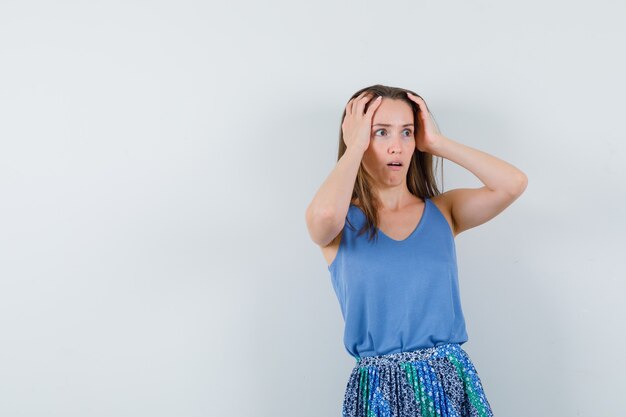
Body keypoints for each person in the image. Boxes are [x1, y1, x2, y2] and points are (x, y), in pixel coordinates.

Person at [305, 84, 527, 417]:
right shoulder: (340, 223)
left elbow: (512, 183)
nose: (397, 147)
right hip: (378, 389)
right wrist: (354, 149)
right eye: (380, 132)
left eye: (406, 133)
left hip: (449, 381)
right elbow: (322, 217)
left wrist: (437, 143)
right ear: (358, 137)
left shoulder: (444, 211)